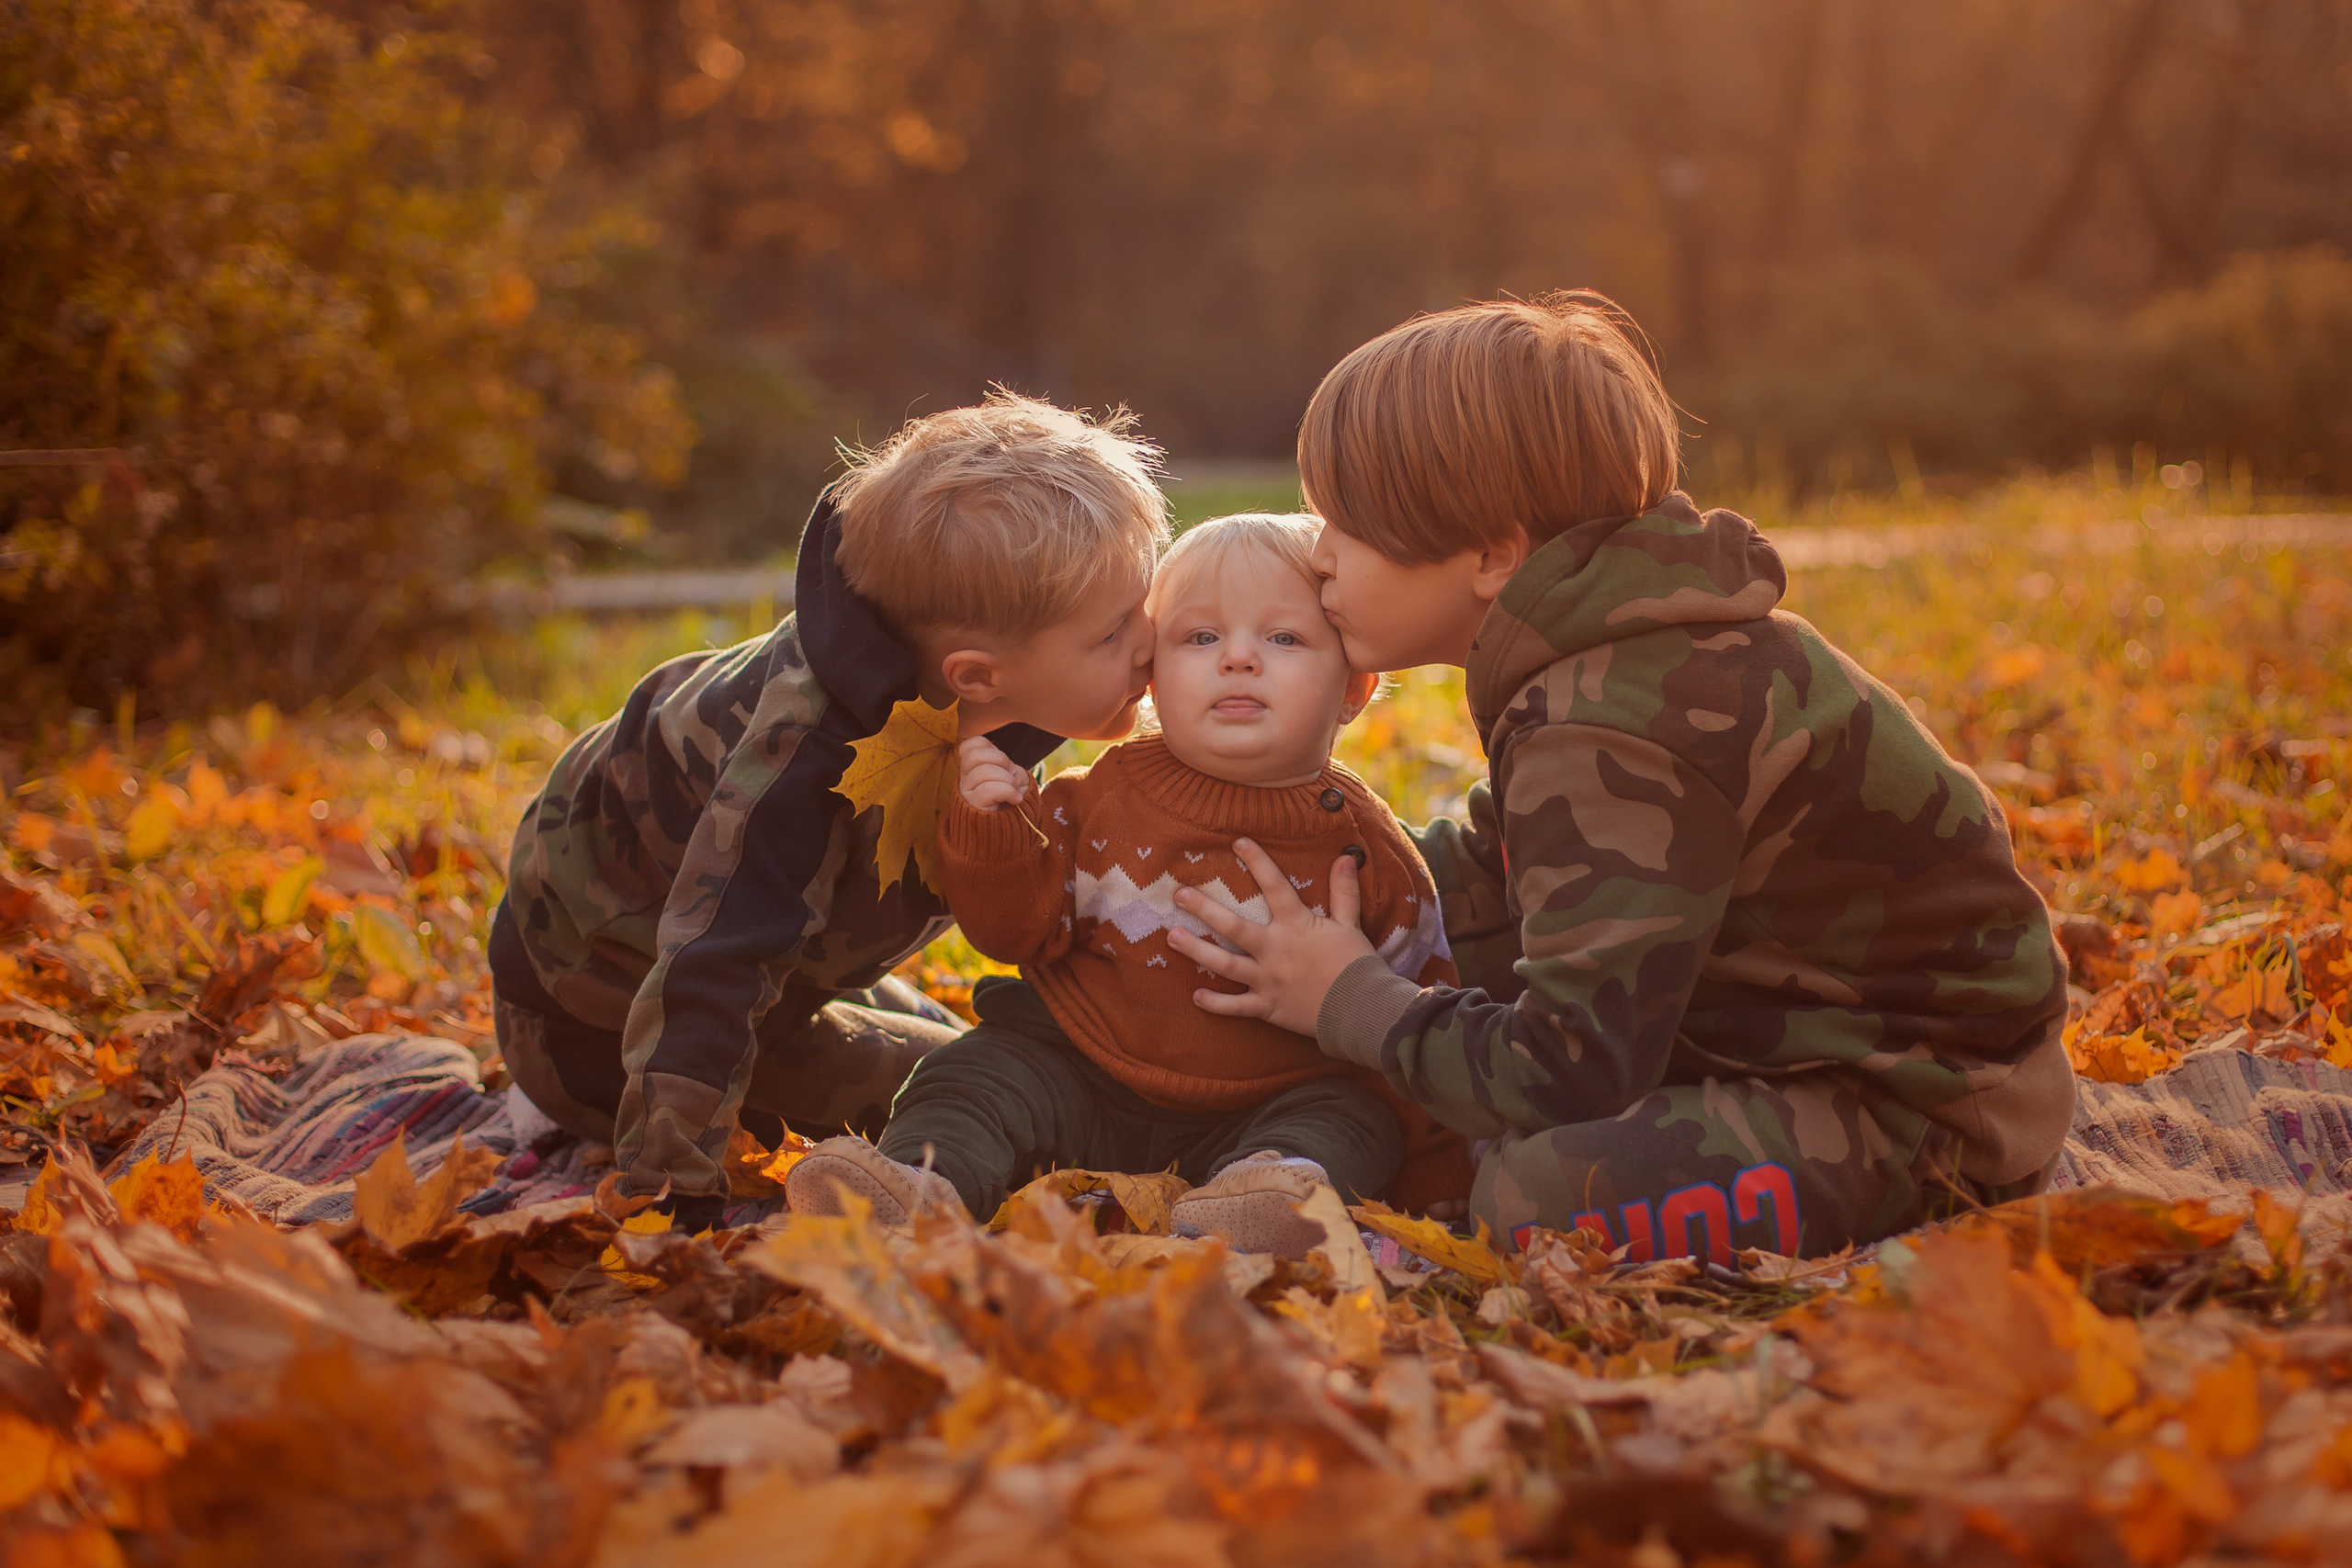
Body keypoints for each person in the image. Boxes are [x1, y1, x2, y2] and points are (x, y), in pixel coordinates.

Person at [1159, 293, 2074, 1261]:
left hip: (1926, 1108)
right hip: (1777, 1031)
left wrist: (1351, 999)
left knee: (1532, 1198)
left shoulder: (1611, 721)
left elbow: (1570, 1065)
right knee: (1428, 1039)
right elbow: (1493, 881)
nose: (1318, 554)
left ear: (1492, 554)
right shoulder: (1603, 651)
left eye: (1346, 523)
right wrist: (1289, 873)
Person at [488, 392, 1168, 1227]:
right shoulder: (795, 765)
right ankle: (564, 1099)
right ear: (977, 676)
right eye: (1112, 634)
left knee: (998, 1059)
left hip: (784, 982)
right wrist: (670, 1201)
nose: (1150, 641)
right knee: (991, 1102)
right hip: (598, 1016)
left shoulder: (988, 674)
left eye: (1145, 603)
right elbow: (715, 965)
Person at [786, 514, 1472, 1254]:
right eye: (1200, 637)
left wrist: (1434, 1181)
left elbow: (1409, 1018)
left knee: (1351, 1122)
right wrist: (991, 832)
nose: (1239, 658)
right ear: (1150, 674)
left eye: (1284, 638)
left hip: (1268, 1101)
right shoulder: (1094, 798)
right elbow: (1014, 931)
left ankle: (1260, 1204)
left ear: (1354, 689)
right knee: (971, 1073)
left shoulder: (1368, 853)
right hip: (1076, 1067)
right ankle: (918, 1185)